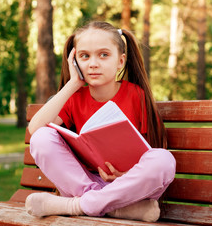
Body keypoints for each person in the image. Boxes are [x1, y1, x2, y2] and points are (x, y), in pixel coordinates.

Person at [25, 21, 176, 222]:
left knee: (164, 160)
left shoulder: (135, 95)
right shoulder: (74, 97)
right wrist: (73, 83)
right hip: (86, 183)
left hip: (128, 186)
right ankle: (111, 207)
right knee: (42, 137)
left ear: (120, 61)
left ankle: (76, 205)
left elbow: (153, 152)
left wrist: (125, 176)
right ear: (74, 60)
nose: (93, 63)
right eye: (84, 56)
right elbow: (35, 129)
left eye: (103, 55)